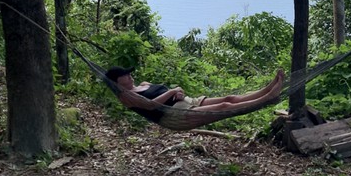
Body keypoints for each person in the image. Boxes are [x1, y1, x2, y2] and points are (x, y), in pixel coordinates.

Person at [104, 66, 284, 119]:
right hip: (176, 114)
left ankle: (267, 89)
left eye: (128, 73)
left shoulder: (143, 84)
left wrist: (178, 92)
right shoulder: (127, 97)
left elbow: (171, 91)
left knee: (229, 97)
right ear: (117, 82)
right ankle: (268, 98)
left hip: (186, 101)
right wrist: (173, 92)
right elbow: (151, 105)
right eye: (124, 76)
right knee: (224, 106)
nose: (129, 76)